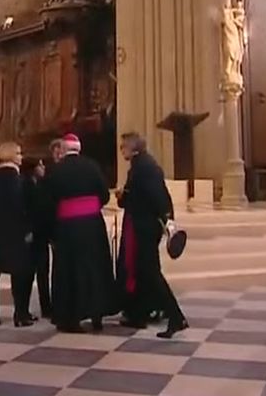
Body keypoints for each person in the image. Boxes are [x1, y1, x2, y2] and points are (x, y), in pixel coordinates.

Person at [41, 134, 117, 332]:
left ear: (64, 150)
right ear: (79, 149)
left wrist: (51, 230)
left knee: (70, 272)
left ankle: (70, 319)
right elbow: (104, 195)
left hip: (68, 228)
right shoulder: (92, 166)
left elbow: (47, 202)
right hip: (92, 226)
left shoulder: (56, 171)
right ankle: (97, 314)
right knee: (95, 268)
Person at [115, 133, 187, 337]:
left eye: (123, 147)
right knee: (145, 272)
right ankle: (145, 313)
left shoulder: (143, 168)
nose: (121, 150)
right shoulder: (142, 165)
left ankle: (175, 316)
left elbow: (158, 197)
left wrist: (167, 221)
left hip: (143, 228)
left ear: (133, 147)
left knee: (150, 273)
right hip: (143, 227)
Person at [0, 142, 33, 327]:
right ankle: (20, 313)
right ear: (11, 156)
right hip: (15, 231)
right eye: (19, 154)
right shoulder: (17, 179)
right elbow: (21, 207)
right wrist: (27, 229)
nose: (21, 157)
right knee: (19, 273)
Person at [22, 156, 53, 320]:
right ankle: (23, 310)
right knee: (29, 274)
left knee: (43, 273)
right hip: (31, 236)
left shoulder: (41, 184)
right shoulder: (25, 184)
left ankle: (46, 307)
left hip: (41, 235)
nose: (43, 168)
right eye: (40, 165)